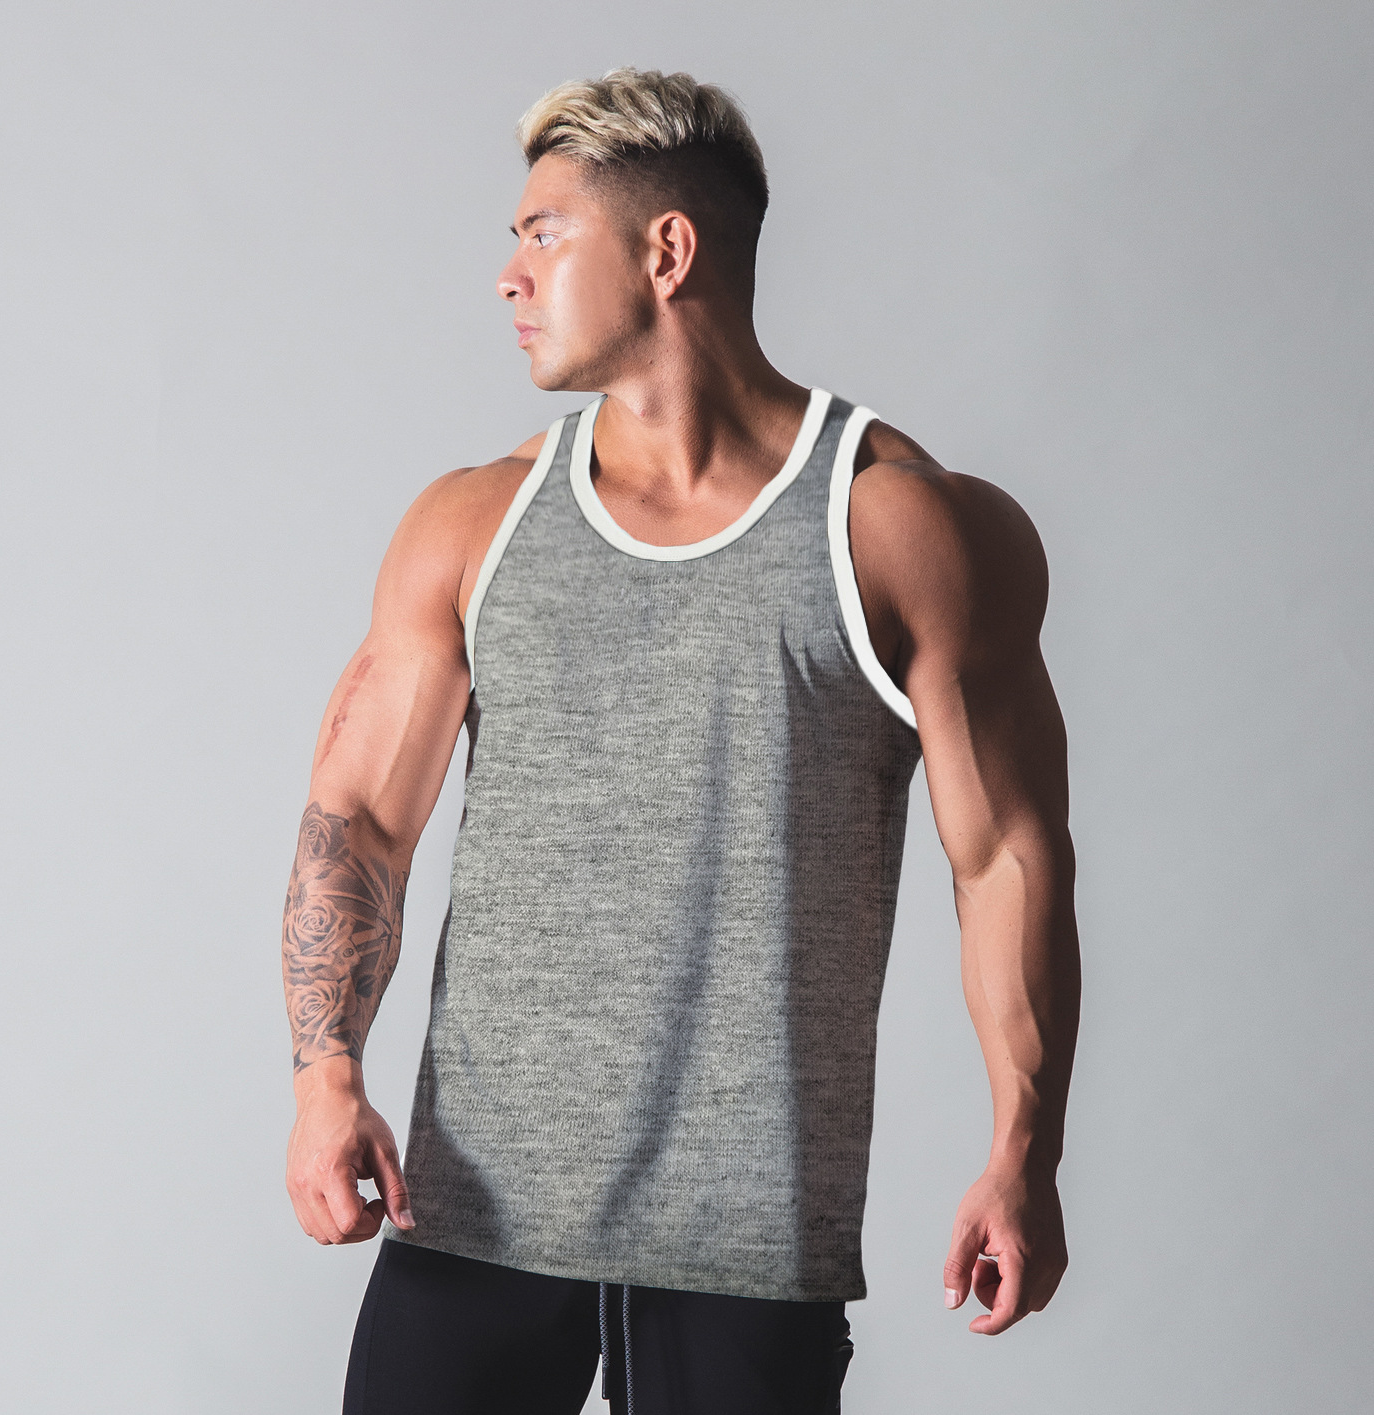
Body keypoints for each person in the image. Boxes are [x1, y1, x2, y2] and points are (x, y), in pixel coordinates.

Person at [281, 67, 1080, 1415]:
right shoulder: (474, 523)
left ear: (666, 251)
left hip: (746, 1249)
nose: (508, 274)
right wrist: (325, 1077)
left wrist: (1024, 1151)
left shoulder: (895, 527)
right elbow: (358, 817)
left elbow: (1005, 857)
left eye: (544, 233)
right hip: (472, 1217)